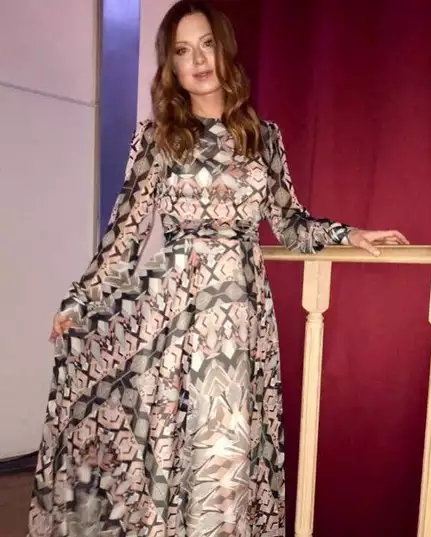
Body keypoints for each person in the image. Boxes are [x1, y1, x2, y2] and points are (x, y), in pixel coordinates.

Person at [27, 1, 408, 536]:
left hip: (241, 323)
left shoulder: (263, 138)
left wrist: (350, 235)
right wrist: (79, 302)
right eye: (183, 51)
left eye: (206, 44)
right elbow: (124, 239)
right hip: (176, 322)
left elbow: (290, 224)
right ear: (172, 67)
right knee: (175, 458)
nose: (199, 60)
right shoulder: (157, 139)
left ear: (224, 50)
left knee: (229, 457)